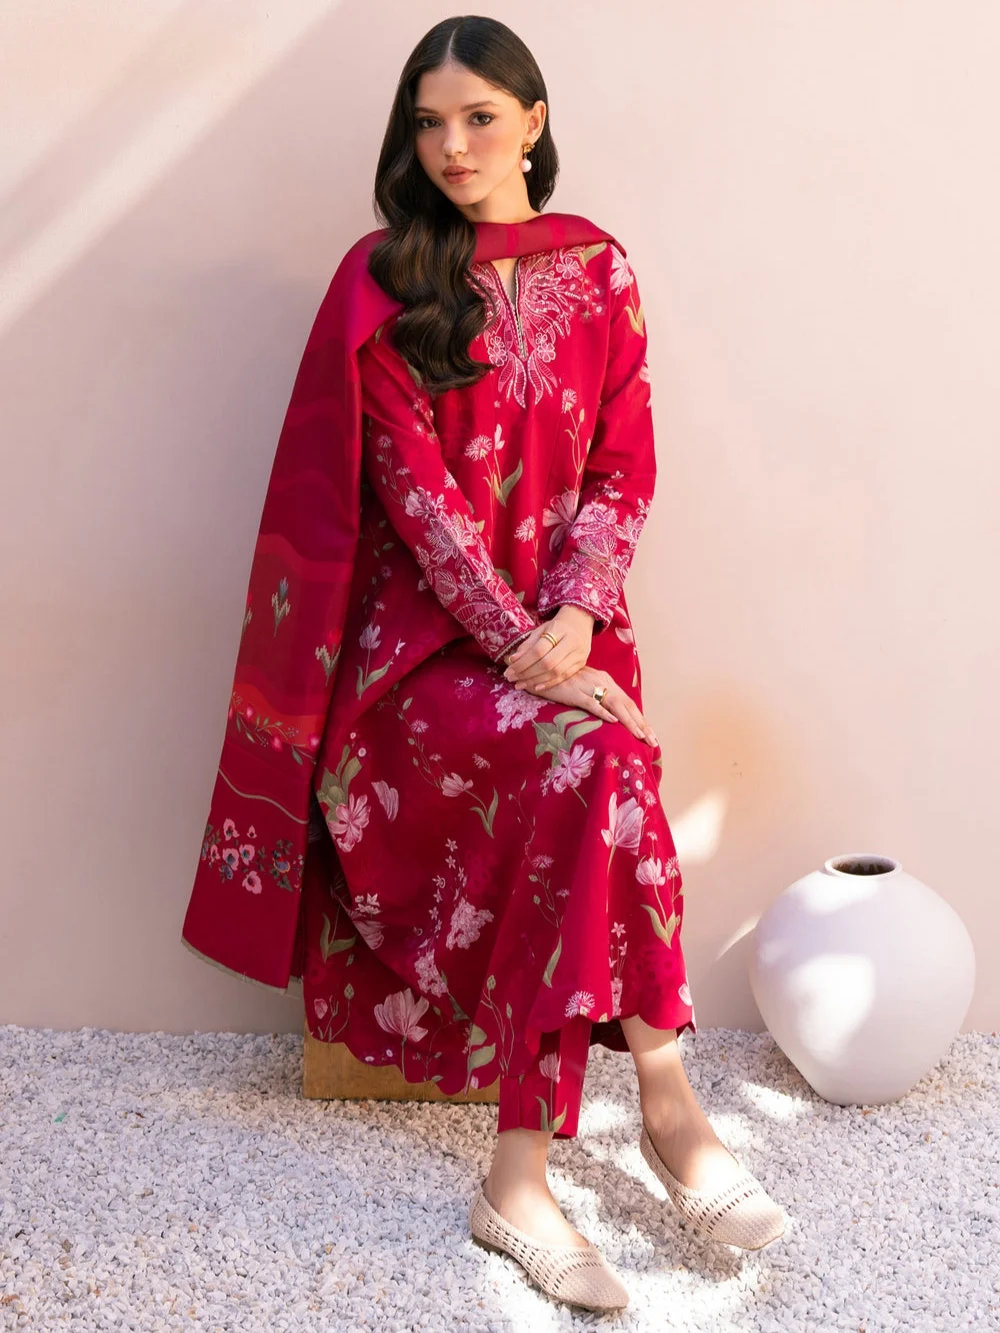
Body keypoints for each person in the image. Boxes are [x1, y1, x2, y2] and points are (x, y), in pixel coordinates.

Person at [184, 14, 787, 1315]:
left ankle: (541, 1165)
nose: (452, 147)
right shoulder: (383, 281)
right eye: (428, 123)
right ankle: (660, 1116)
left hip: (564, 641)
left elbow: (624, 462)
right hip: (418, 666)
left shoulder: (600, 270)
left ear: (532, 123)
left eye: (477, 118)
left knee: (604, 769)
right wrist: (520, 646)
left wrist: (574, 618)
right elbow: (412, 499)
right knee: (599, 766)